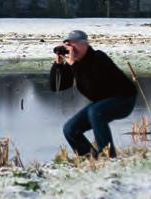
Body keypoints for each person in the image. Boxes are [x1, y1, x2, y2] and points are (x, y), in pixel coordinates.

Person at [50, 30, 137, 158]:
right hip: (102, 102)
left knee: (95, 112)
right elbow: (56, 86)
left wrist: (74, 65)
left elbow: (94, 88)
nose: (71, 49)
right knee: (70, 129)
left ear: (85, 45)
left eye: (75, 45)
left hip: (124, 99)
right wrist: (58, 65)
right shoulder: (74, 63)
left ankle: (108, 157)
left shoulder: (98, 58)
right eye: (68, 45)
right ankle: (92, 159)